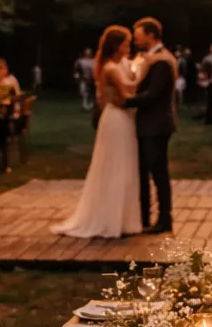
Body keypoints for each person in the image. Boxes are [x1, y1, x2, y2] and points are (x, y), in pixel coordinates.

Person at [53, 25, 141, 238]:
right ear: (117, 46)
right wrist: (144, 70)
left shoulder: (119, 64)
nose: (129, 47)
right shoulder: (110, 68)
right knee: (114, 166)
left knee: (125, 165)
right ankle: (109, 218)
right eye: (126, 44)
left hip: (122, 119)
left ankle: (123, 218)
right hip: (116, 119)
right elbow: (127, 91)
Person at [123, 16, 176, 233]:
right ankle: (143, 216)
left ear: (151, 35)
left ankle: (164, 218)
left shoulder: (162, 60)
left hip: (156, 124)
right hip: (147, 124)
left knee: (158, 172)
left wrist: (125, 101)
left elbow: (153, 95)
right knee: (144, 171)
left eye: (139, 36)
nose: (136, 41)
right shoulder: (149, 59)